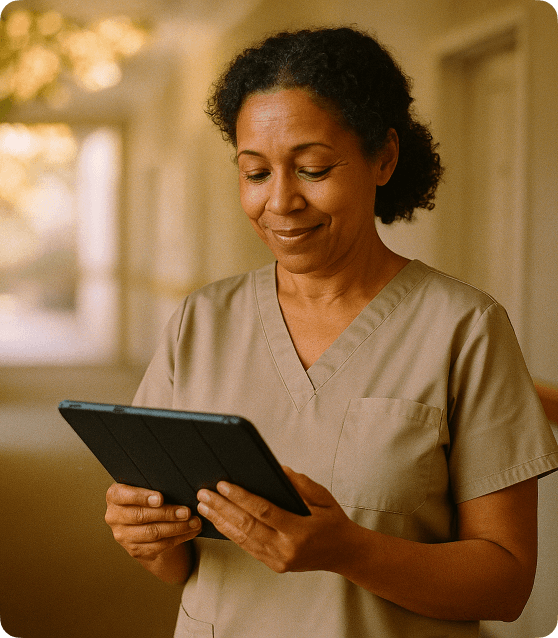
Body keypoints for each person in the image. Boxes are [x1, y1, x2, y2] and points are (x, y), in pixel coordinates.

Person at [104, 26, 558, 637]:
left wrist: (348, 550)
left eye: (313, 168)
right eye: (256, 172)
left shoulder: (464, 328)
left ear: (384, 158)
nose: (281, 201)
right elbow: (181, 563)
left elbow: (506, 584)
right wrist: (149, 537)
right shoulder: (200, 322)